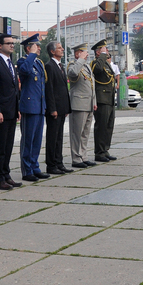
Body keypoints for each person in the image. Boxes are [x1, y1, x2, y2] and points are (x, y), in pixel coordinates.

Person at [0, 34, 21, 190]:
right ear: (0, 46)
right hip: (1, 112)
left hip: (12, 111)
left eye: (13, 44)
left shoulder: (11, 63)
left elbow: (15, 89)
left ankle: (6, 175)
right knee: (0, 146)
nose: (12, 46)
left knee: (8, 146)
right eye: (8, 43)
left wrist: (18, 108)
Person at [16, 34, 47, 181]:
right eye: (36, 46)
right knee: (28, 140)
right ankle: (27, 170)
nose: (39, 48)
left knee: (37, 140)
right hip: (29, 106)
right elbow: (25, 71)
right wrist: (32, 54)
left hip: (39, 106)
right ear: (29, 48)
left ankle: (35, 166)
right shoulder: (23, 61)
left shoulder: (38, 63)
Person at [44, 41, 73, 175]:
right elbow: (49, 89)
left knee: (59, 137)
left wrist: (66, 108)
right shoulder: (49, 66)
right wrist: (52, 108)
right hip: (54, 108)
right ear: (52, 51)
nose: (62, 50)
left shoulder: (61, 66)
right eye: (60, 48)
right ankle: (51, 165)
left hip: (62, 108)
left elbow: (63, 89)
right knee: (52, 137)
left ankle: (59, 162)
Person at [67, 43, 96, 168]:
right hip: (78, 104)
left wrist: (94, 102)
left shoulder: (86, 67)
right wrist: (80, 60)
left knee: (85, 133)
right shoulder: (73, 65)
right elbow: (73, 74)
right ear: (77, 53)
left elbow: (91, 85)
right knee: (76, 133)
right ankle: (76, 158)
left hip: (88, 104)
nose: (87, 55)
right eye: (84, 52)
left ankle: (83, 156)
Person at [91, 40, 118, 161]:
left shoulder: (106, 64)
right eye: (104, 50)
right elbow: (97, 70)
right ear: (98, 52)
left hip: (109, 99)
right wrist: (102, 56)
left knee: (109, 126)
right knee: (101, 127)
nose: (107, 51)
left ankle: (105, 149)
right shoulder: (95, 63)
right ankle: (99, 152)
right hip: (102, 99)